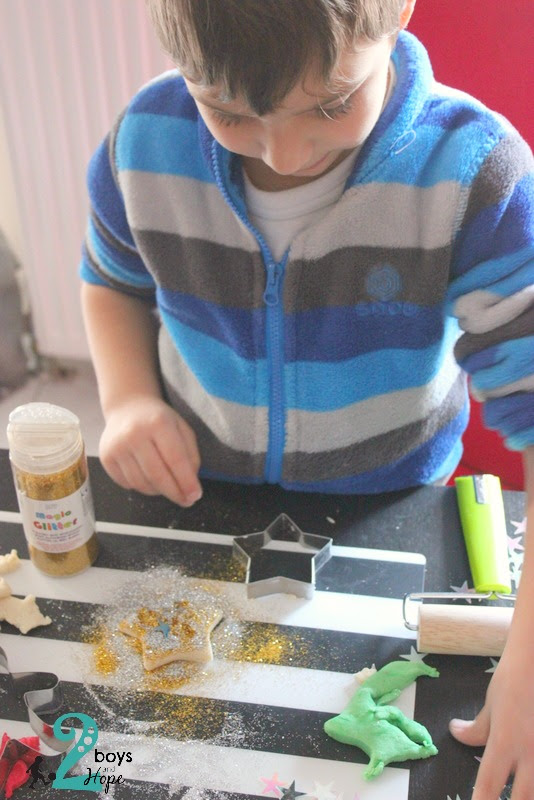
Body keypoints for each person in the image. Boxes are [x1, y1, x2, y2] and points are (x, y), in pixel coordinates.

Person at [80, 1, 534, 797]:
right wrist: (128, 401)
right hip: (199, 493)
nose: (283, 153)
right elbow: (111, 282)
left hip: (391, 506)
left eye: (330, 105)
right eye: (227, 111)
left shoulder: (474, 174)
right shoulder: (143, 145)